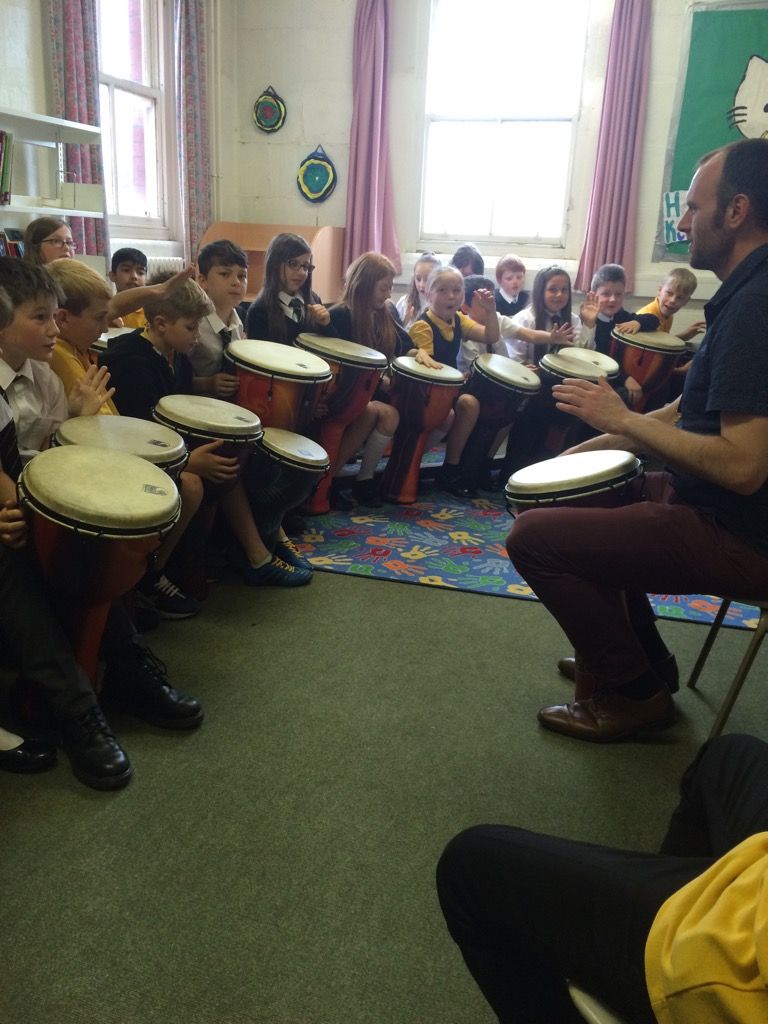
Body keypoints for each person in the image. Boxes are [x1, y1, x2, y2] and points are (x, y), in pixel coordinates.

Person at [506, 138, 768, 742]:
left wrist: (622, 421)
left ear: (737, 212)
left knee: (535, 539)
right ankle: (640, 660)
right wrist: (581, 454)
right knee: (567, 499)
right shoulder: (746, 294)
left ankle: (634, 691)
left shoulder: (757, 307)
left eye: (694, 209)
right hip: (710, 504)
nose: (682, 222)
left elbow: (746, 467)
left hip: (739, 531)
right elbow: (686, 413)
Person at [0, 261, 203, 788]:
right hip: (11, 506)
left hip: (29, 491)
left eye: (55, 317)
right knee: (15, 562)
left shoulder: (41, 376)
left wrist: (74, 422)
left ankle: (125, 665)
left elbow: (46, 457)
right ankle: (77, 709)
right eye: (40, 317)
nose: (54, 328)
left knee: (94, 536)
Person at [437, 732, 768, 1024]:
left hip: (735, 967)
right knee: (727, 757)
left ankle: (649, 967)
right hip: (755, 877)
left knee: (469, 868)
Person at [100, 278, 310, 587]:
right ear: (160, 324)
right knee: (211, 473)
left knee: (239, 452)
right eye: (191, 327)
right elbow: (137, 435)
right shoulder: (131, 362)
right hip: (142, 457)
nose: (197, 336)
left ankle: (262, 543)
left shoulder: (177, 355)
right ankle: (157, 574)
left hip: (173, 448)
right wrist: (187, 461)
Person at [327, 252, 411, 507]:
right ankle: (327, 481)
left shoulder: (385, 313)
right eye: (383, 288)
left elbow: (406, 345)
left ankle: (364, 481)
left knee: (390, 414)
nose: (388, 295)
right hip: (343, 393)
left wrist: (418, 353)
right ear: (364, 284)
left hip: (367, 391)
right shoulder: (341, 314)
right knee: (376, 412)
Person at [408, 265, 500, 497]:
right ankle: (425, 463)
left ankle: (457, 467)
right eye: (442, 290)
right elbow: (426, 367)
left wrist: (490, 311)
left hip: (446, 388)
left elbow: (490, 336)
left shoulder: (458, 319)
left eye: (457, 290)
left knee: (489, 400)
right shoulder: (423, 325)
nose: (451, 296)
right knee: (465, 406)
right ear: (428, 294)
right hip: (426, 388)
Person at [586, 262, 660, 408]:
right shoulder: (589, 322)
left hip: (620, 373)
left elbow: (654, 320)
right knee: (624, 395)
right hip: (600, 377)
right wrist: (625, 379)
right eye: (606, 294)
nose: (613, 299)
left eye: (618, 294)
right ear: (594, 296)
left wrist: (638, 323)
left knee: (655, 387)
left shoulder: (621, 316)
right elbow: (598, 360)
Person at [245, 232, 332, 345]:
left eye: (305, 266)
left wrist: (326, 324)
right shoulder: (259, 311)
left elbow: (330, 349)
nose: (301, 273)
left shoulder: (313, 300)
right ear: (275, 264)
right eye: (293, 263)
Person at [636, 267, 707, 403]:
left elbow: (661, 344)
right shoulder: (649, 317)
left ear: (686, 301)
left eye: (680, 297)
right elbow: (647, 363)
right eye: (669, 293)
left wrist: (685, 335)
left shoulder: (667, 314)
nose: (673, 300)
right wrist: (679, 371)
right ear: (659, 290)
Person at [188, 239, 247, 396]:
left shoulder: (240, 320)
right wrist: (206, 384)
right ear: (203, 281)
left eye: (242, 276)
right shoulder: (192, 322)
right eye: (225, 274)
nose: (236, 282)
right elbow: (174, 376)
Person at [395, 252, 441, 329]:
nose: (422, 285)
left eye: (427, 279)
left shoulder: (444, 304)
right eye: (418, 279)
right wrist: (404, 321)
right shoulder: (404, 302)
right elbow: (395, 333)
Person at [108, 246, 149, 329]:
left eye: (140, 272)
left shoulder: (151, 310)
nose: (134, 276)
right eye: (126, 270)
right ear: (112, 275)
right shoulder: (106, 310)